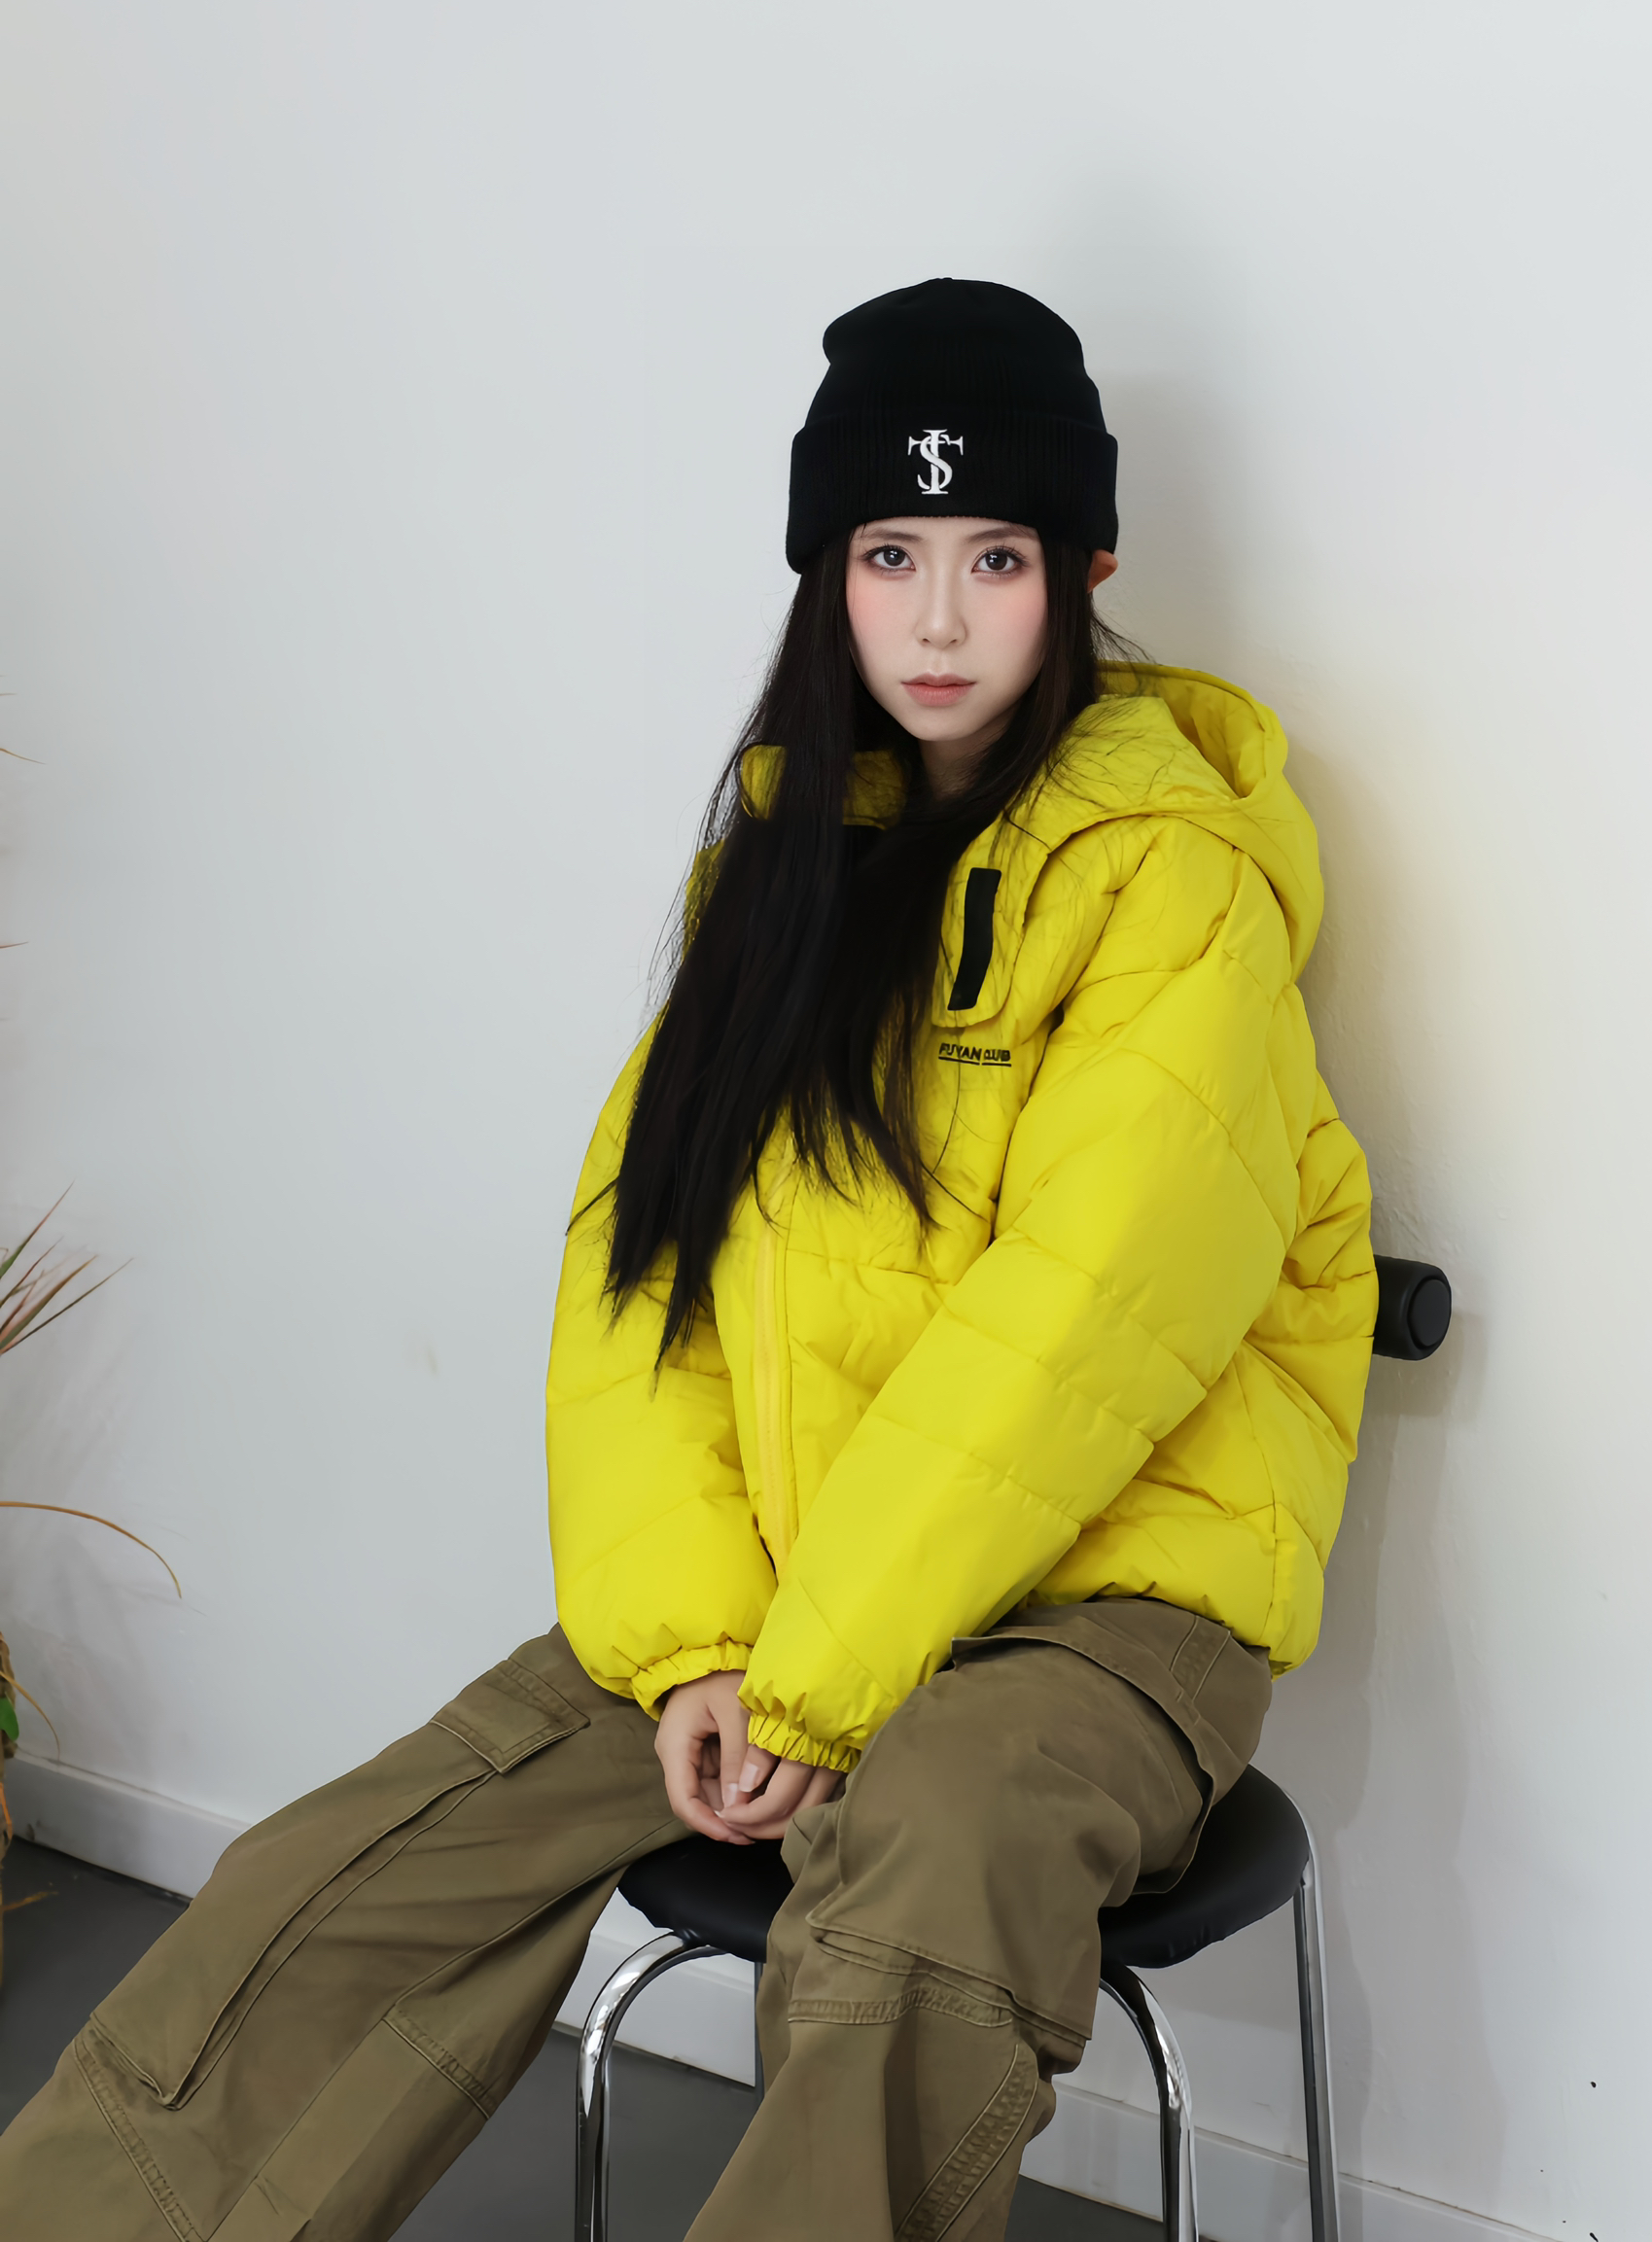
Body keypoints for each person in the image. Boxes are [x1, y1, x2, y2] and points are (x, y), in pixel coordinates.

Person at [0, 277, 1375, 2241]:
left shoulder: (1180, 885)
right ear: (825, 577)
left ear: (1083, 573)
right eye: (887, 556)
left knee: (920, 1885)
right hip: (790, 1596)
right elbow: (637, 1285)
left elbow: (1073, 1332)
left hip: (1107, 1607)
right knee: (361, 1874)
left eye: (992, 558)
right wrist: (703, 1651)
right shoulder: (780, 869)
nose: (934, 618)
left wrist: (809, 1691)